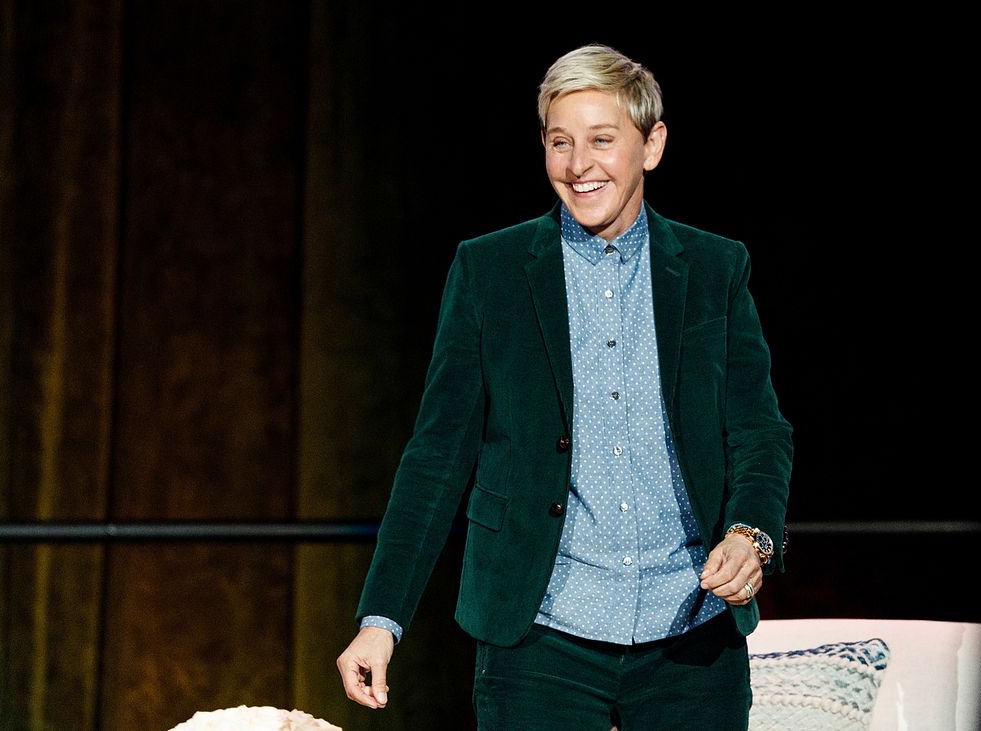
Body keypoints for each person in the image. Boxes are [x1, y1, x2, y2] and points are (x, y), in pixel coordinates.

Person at [336, 43, 792, 730]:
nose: (579, 166)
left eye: (602, 140)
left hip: (691, 632)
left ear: (653, 144)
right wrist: (382, 617)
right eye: (560, 142)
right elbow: (436, 458)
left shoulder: (714, 268)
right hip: (540, 637)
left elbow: (760, 432)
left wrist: (750, 535)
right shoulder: (489, 271)